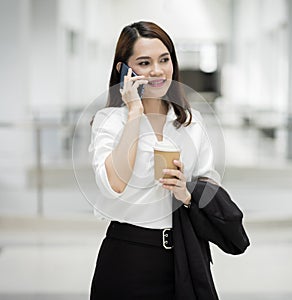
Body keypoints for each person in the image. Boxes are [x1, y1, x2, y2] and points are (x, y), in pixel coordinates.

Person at [88, 21, 249, 300]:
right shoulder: (109, 122)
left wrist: (185, 193)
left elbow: (208, 186)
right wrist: (134, 112)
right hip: (128, 257)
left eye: (164, 59)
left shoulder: (189, 122)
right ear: (124, 70)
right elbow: (113, 184)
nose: (157, 70)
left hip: (183, 257)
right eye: (144, 62)